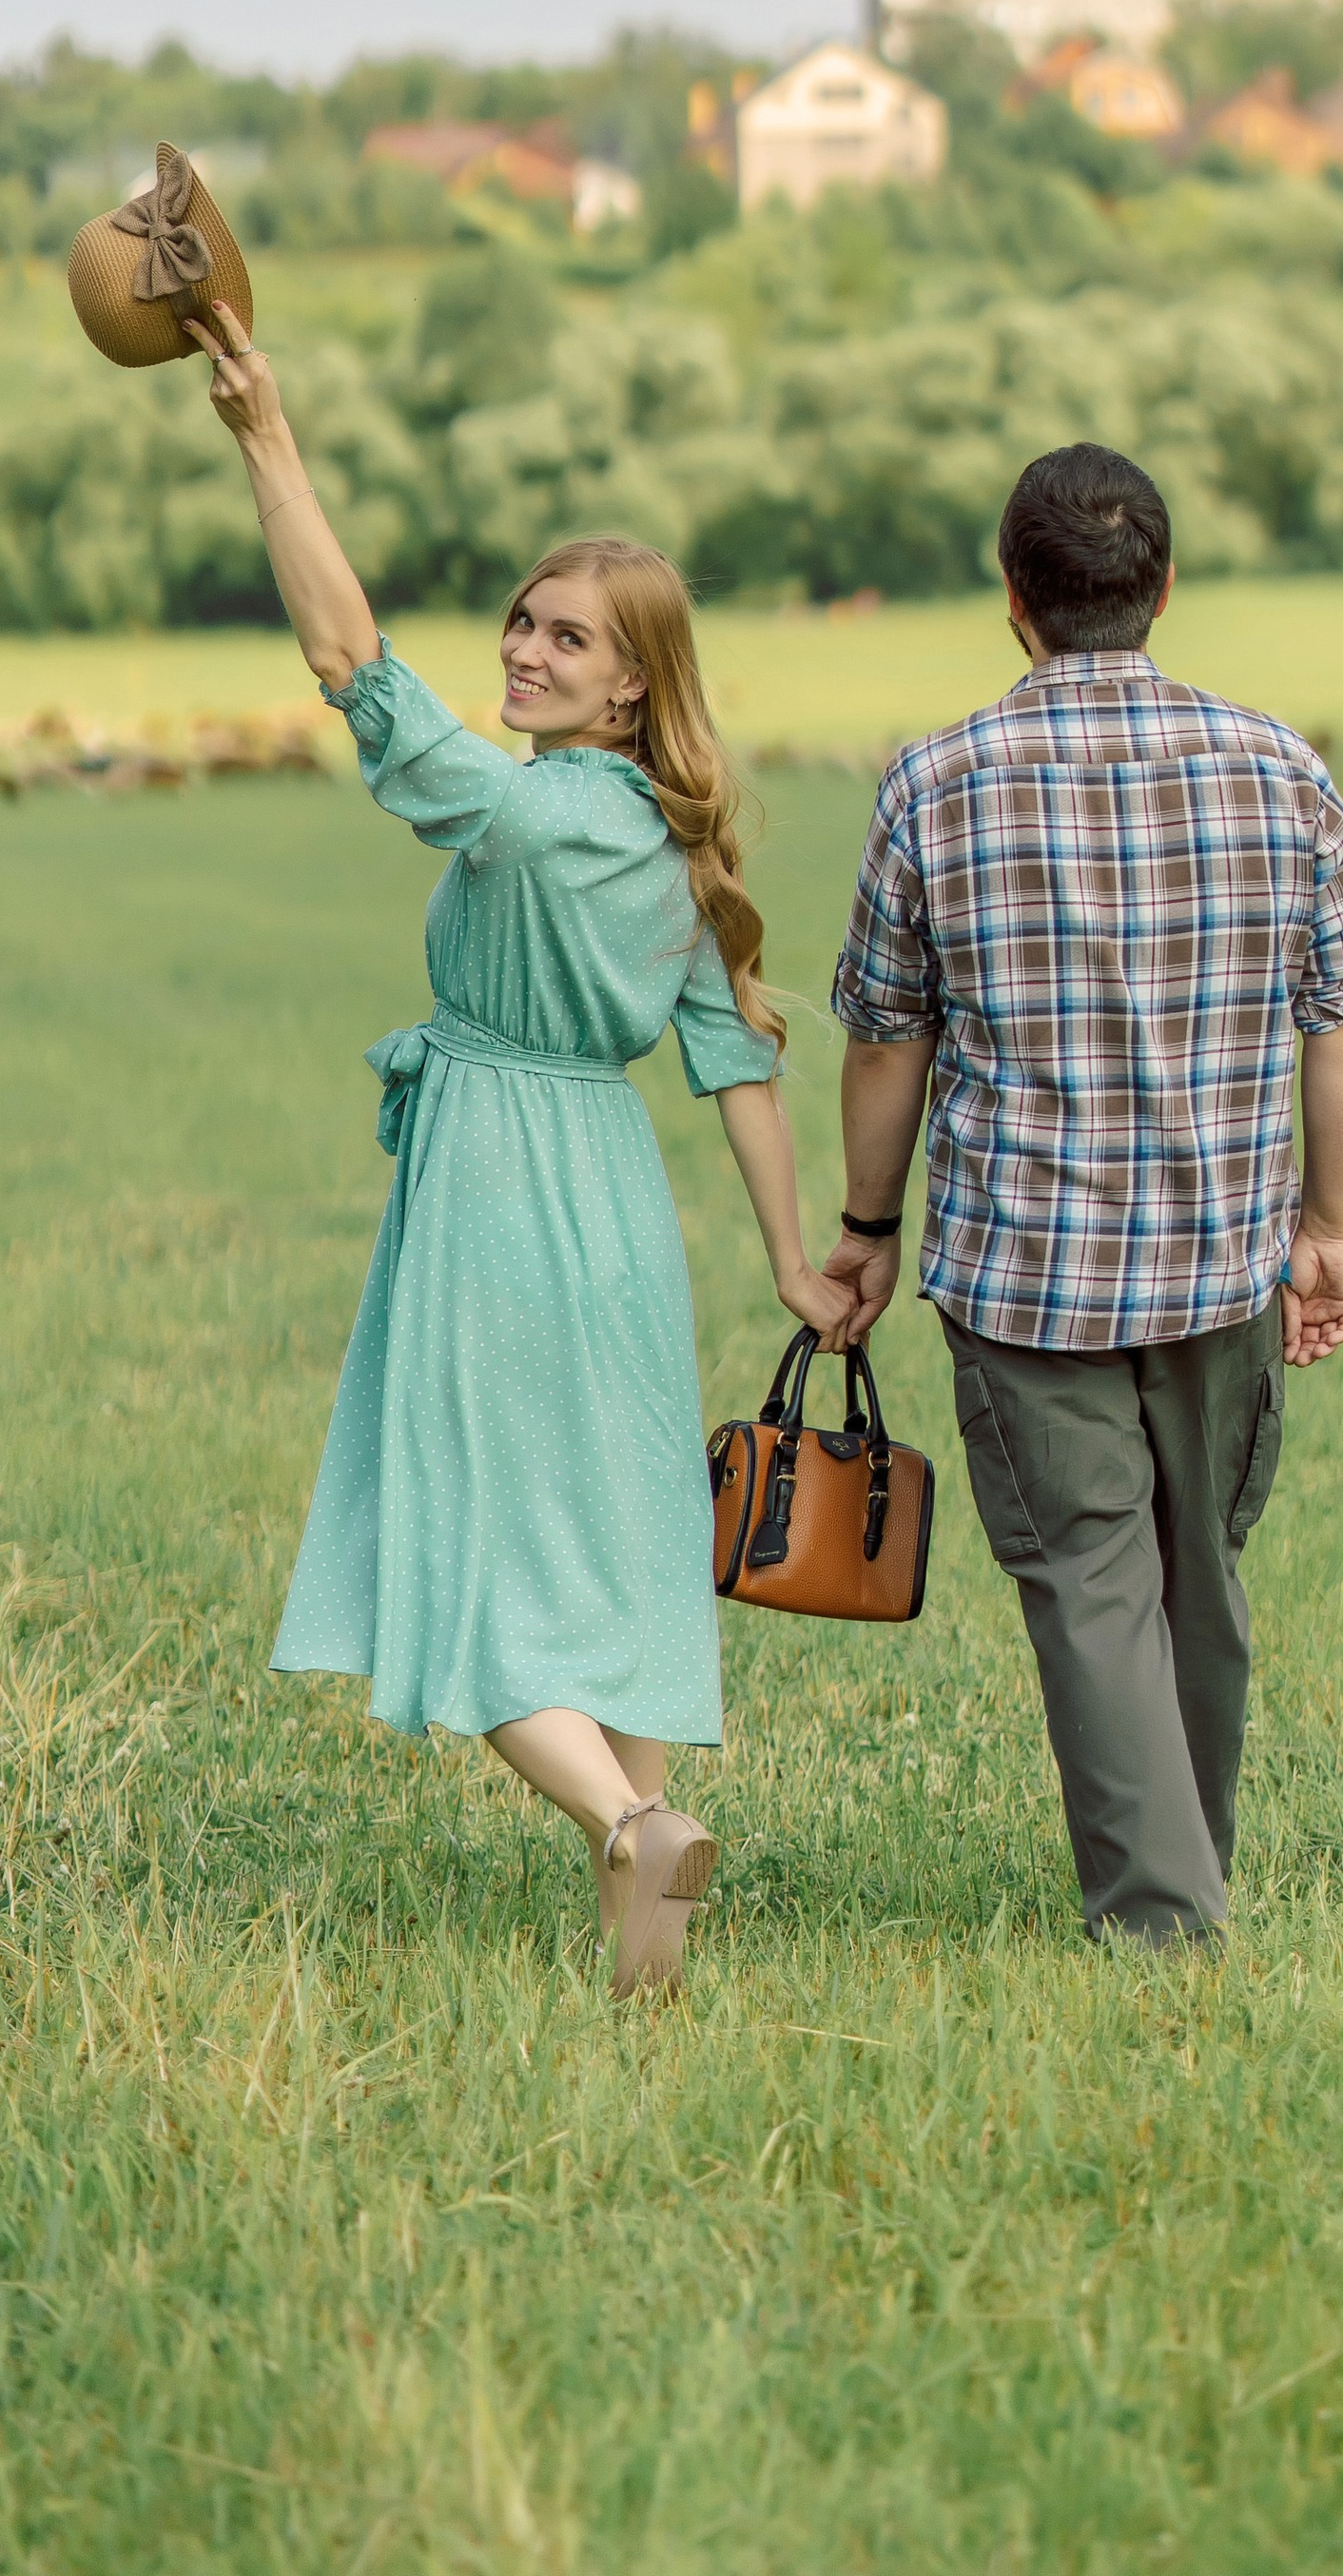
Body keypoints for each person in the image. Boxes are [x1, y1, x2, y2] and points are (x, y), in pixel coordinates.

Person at [189, 302, 852, 1996]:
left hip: (492, 1181)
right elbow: (737, 1071)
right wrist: (793, 1258)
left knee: (466, 1553)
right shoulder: (667, 840)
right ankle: (651, 1887)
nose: (526, 650)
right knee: (610, 1552)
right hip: (611, 1202)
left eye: (566, 639)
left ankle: (628, 1833)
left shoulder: (535, 810)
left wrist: (270, 440)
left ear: (634, 680)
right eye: (523, 622)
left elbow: (355, 667)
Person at [821, 441, 1343, 1946]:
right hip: (1223, 1258)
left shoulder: (934, 783)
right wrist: (1325, 1229)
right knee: (1195, 1580)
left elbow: (889, 1041)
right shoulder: (1281, 765)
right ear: (1163, 590)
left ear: (1013, 598)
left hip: (1028, 1279)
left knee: (1094, 1586)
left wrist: (867, 1229)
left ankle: (1164, 1923)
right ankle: (1180, 1881)